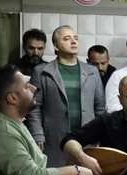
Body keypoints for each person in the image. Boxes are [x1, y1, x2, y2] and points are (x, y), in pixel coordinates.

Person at [26, 25, 105, 167]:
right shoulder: (42, 71)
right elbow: (34, 107)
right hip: (54, 137)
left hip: (86, 137)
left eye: (75, 38)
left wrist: (100, 133)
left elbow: (100, 107)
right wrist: (37, 134)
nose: (73, 42)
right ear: (56, 47)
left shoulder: (92, 71)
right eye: (67, 39)